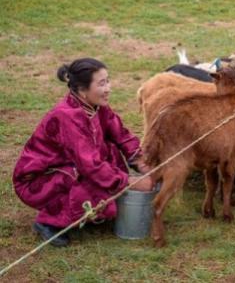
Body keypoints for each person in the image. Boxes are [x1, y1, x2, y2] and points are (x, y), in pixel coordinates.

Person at [12, 58, 153, 247]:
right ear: (82, 89)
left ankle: (86, 209)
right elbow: (90, 165)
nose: (108, 88)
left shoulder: (95, 105)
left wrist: (140, 161)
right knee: (88, 175)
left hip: (69, 166)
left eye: (108, 81)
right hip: (37, 180)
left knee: (108, 149)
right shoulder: (67, 116)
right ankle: (48, 222)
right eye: (101, 84)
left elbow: (120, 134)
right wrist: (129, 182)